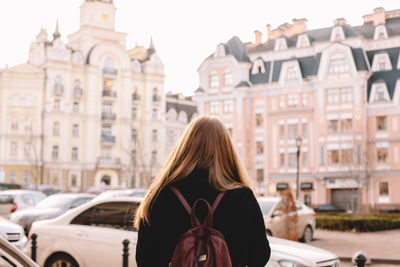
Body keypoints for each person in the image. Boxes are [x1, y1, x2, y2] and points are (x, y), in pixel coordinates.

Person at [134, 115, 270, 267]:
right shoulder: (242, 198)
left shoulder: (161, 196)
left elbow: (144, 259)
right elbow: (260, 256)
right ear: (227, 150)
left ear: (185, 147)